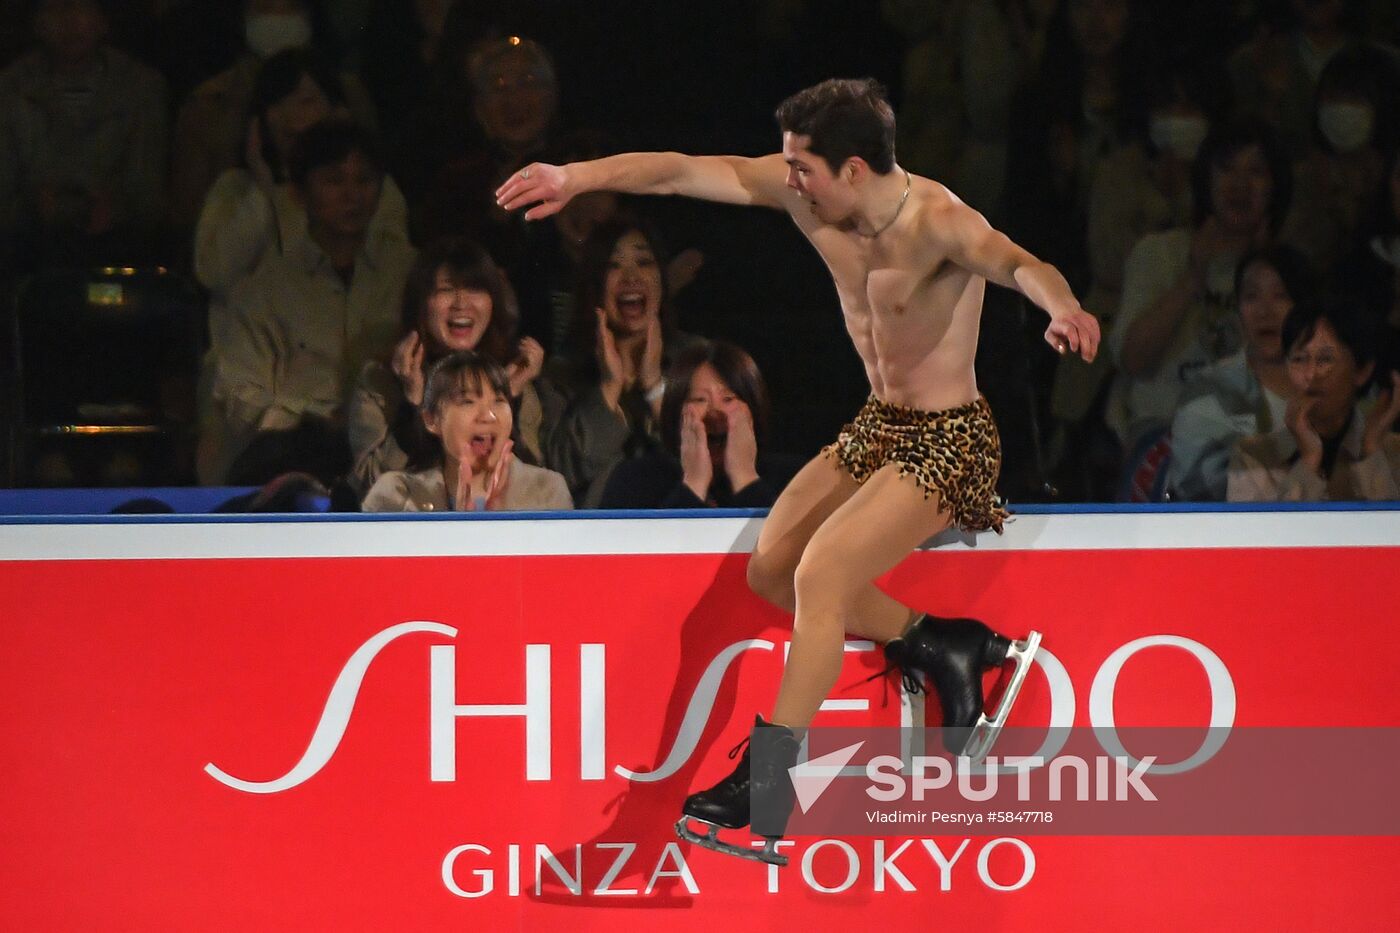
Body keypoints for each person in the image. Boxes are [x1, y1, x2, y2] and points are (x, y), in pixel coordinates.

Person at [496, 77, 1098, 865]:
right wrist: (578, 178)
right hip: (880, 424)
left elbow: (1025, 264)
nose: (791, 181)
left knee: (823, 575)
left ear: (854, 169)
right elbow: (681, 169)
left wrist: (1063, 308)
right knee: (772, 569)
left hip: (951, 439)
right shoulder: (808, 199)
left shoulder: (940, 221)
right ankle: (942, 642)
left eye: (804, 168)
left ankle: (766, 782)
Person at [208, 120, 415, 482]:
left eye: (364, 180)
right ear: (299, 194)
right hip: (292, 458)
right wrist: (308, 419)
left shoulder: (410, 273)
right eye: (334, 181)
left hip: (395, 456)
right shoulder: (265, 288)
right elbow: (241, 395)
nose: (352, 195)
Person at [346, 236, 559, 497]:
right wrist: (412, 405)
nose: (461, 303)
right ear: (422, 303)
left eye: (474, 289)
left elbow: (532, 492)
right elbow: (371, 487)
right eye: (446, 290)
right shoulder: (380, 380)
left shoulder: (510, 377)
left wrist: (507, 400)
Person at [545, 214, 706, 507]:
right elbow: (562, 473)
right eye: (613, 266)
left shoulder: (697, 361)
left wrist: (655, 387)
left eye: (644, 263)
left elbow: (710, 462)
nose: (631, 277)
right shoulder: (559, 375)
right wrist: (609, 387)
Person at [1167, 245, 1311, 500]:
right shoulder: (1208, 390)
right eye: (1251, 296)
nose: (1265, 311)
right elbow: (1199, 488)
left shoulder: (1333, 387)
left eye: (1281, 295)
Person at [1227, 299, 1400, 501]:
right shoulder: (1253, 456)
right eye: (1299, 359)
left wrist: (1371, 453)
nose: (1310, 374)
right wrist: (1309, 460)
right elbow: (1268, 533)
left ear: (1362, 370)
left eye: (1325, 359)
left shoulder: (1393, 453)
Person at [598, 340, 801, 509]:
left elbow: (785, 552)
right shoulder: (635, 480)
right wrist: (694, 483)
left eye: (728, 399)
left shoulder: (795, 480)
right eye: (699, 400)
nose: (715, 414)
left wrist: (744, 477)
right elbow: (651, 553)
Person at [361, 351, 572, 512]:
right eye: (468, 402)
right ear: (432, 420)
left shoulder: (547, 490)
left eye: (499, 401)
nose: (488, 416)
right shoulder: (396, 495)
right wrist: (459, 530)